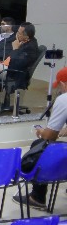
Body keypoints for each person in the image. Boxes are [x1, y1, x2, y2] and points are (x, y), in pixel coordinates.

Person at [12, 67, 67, 210]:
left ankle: (37, 197)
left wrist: (42, 131)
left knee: (40, 144)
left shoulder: (64, 100)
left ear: (63, 84)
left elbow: (49, 137)